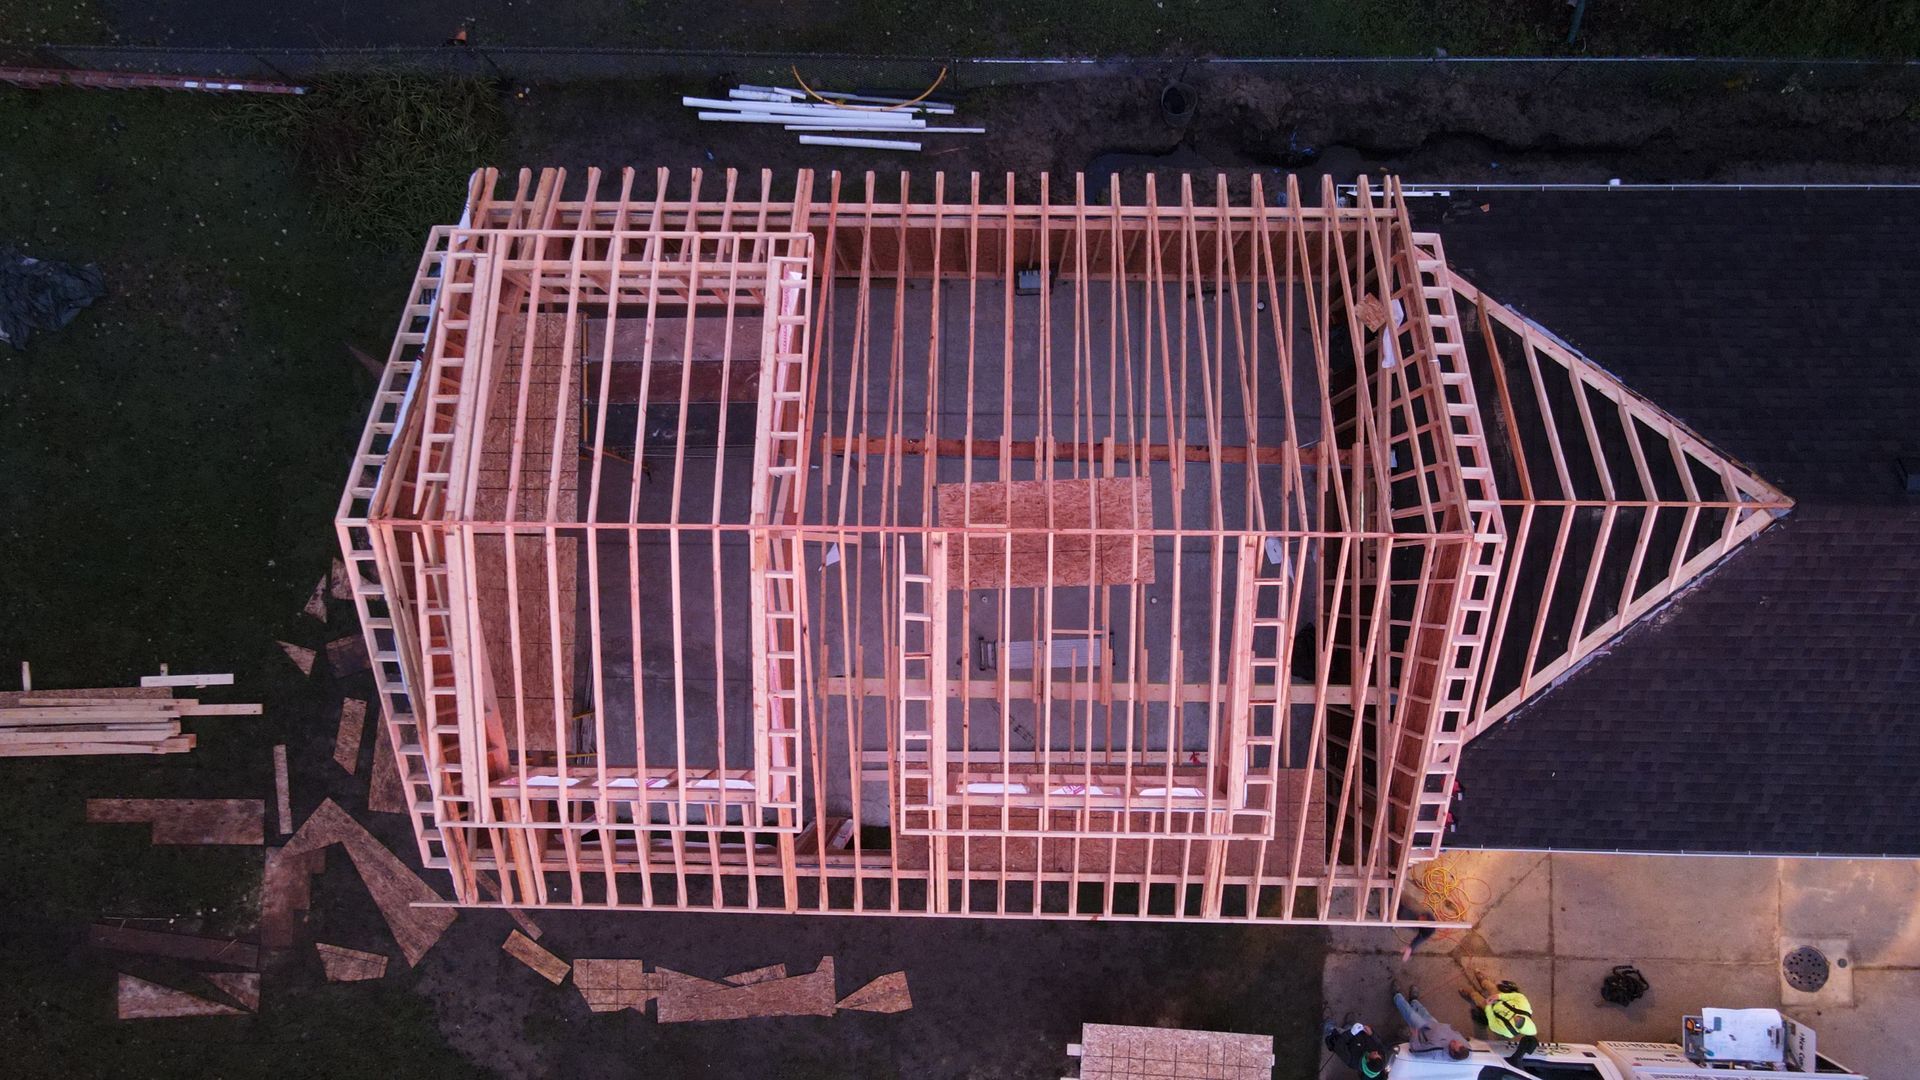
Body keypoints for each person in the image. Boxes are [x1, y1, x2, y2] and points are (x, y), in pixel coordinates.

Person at [1462, 970, 1540, 1068]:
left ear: (1518, 1029)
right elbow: (1517, 996)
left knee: (1476, 997)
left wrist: (1488, 1006)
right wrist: (1499, 996)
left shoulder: (1507, 1031)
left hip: (1491, 1008)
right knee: (1491, 987)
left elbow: (1492, 1022)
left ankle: (1470, 993)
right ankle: (1483, 981)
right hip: (1499, 999)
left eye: (1518, 1023)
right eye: (1521, 1019)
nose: (1517, 1019)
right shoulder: (1525, 1007)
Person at [1392, 985, 1470, 1060]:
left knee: (1410, 1014)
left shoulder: (1435, 1051)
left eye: (1453, 1044)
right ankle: (1414, 1001)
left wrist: (1414, 1036)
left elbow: (1416, 1051)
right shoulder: (1466, 1047)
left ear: (1452, 1053)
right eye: (1458, 1042)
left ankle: (1397, 996)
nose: (1454, 1041)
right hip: (1435, 1024)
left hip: (1422, 1029)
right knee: (1423, 1011)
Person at [1321, 1019, 1389, 1078]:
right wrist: (1372, 1034)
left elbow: (1339, 1045)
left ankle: (1329, 1029)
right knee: (1351, 1028)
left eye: (1374, 1054)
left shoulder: (1352, 1060)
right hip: (1357, 1038)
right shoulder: (1382, 1059)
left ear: (1367, 1060)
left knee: (1336, 1033)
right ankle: (1348, 1028)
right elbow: (1380, 1045)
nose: (1376, 1052)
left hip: (1345, 1039)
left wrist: (1351, 1033)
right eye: (1379, 1055)